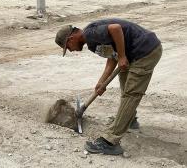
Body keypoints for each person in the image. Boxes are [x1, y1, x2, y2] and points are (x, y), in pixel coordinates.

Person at [55, 18, 162, 155]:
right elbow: (113, 56)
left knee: (131, 94)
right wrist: (102, 82)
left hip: (145, 52)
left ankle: (110, 142)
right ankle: (130, 120)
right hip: (137, 52)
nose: (71, 50)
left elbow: (115, 28)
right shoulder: (91, 40)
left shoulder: (90, 34)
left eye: (68, 48)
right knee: (125, 83)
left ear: (70, 39)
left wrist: (122, 56)